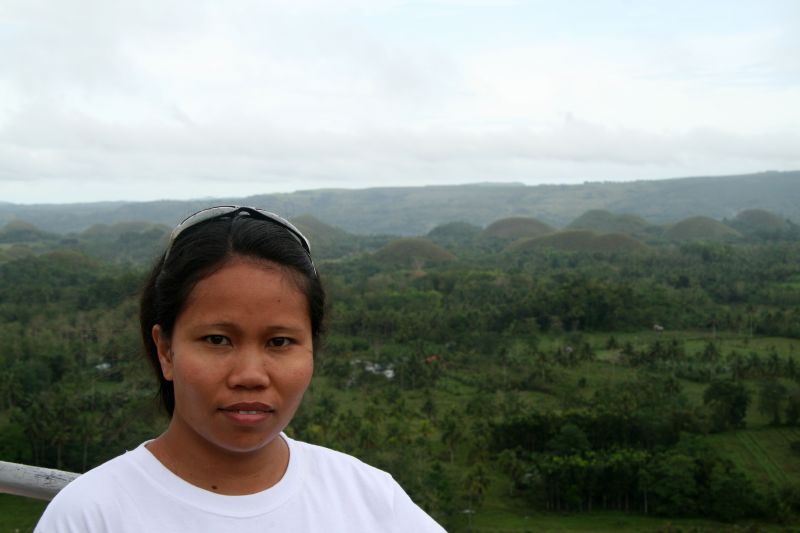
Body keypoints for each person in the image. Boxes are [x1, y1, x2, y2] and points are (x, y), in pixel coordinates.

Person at [36, 206, 445, 532]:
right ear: (165, 350)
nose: (250, 374)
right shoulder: (91, 515)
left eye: (280, 342)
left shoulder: (368, 498)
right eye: (217, 340)